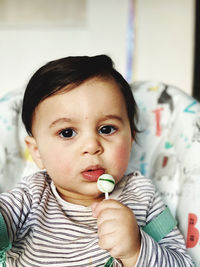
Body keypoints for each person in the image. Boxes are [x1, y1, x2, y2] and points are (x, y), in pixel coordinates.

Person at [0, 55, 193, 267]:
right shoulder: (29, 198)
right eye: (67, 132)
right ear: (37, 152)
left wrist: (136, 249)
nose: (92, 146)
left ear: (131, 139)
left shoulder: (142, 197)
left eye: (107, 129)